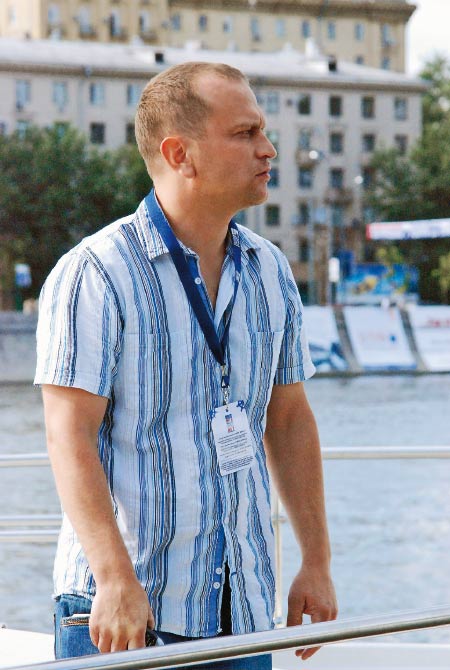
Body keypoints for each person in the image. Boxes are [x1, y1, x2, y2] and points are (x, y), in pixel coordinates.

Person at [35, 61, 337, 668]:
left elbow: (288, 420)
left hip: (242, 615)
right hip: (128, 612)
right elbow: (68, 435)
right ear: (181, 154)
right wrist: (113, 577)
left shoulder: (271, 270)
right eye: (245, 133)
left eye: (262, 131)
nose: (268, 148)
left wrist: (316, 561)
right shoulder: (95, 273)